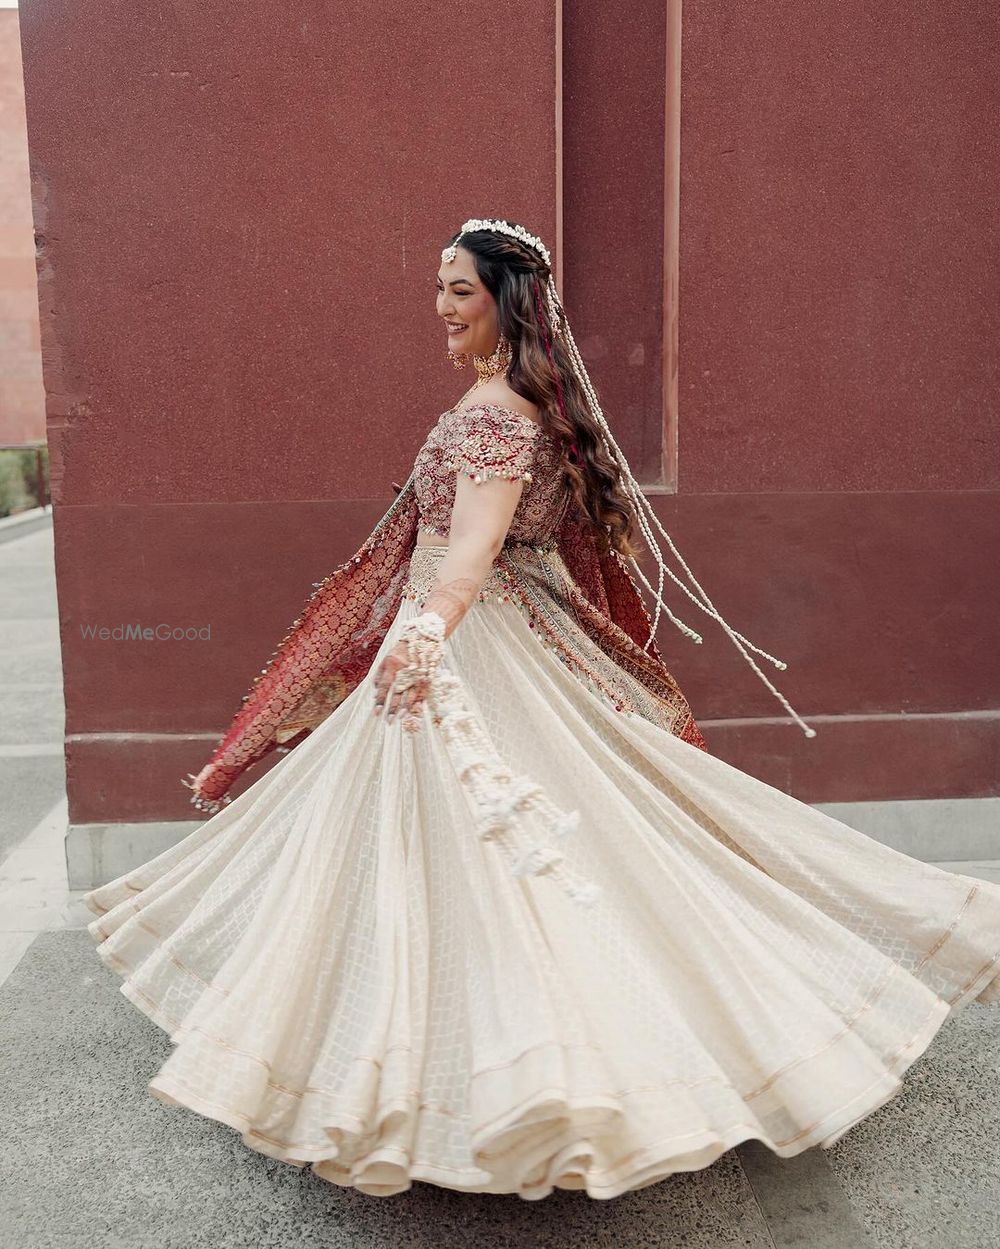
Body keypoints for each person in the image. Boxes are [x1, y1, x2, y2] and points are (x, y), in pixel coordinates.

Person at [82, 218, 1000, 1201]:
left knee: (488, 837)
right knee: (473, 832)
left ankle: (518, 1070)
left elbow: (473, 547)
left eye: (459, 291)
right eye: (436, 288)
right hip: (481, 626)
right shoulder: (514, 403)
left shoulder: (493, 415)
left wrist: (426, 636)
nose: (440, 307)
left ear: (505, 301)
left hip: (465, 640)